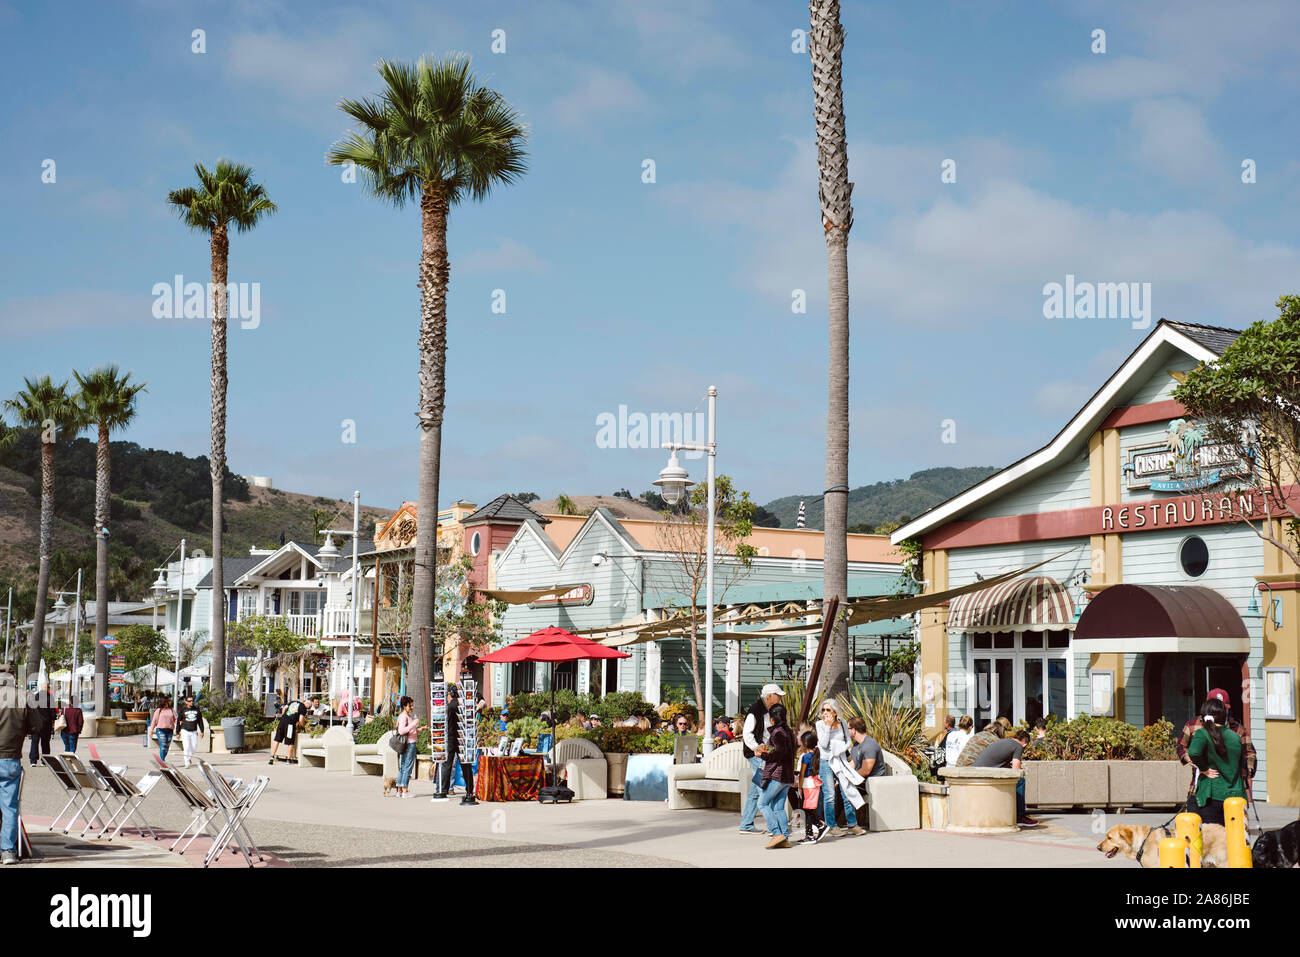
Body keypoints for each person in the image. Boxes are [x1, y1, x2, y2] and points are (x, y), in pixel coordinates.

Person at [1176, 687, 1255, 814]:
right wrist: (1189, 758)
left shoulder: (1237, 729)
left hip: (1231, 789)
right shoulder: (1193, 725)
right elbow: (1181, 746)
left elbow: (1249, 752)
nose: (1221, 711)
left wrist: (1247, 769)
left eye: (1224, 707)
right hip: (1199, 786)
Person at [0, 664, 40, 865]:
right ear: (12, 678)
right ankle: (8, 851)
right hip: (10, 757)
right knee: (9, 807)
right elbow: (37, 727)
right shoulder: (24, 697)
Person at [1187, 698, 1246, 826]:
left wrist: (1204, 769)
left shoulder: (1202, 733)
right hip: (1235, 795)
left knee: (1213, 841)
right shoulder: (1235, 736)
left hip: (1212, 794)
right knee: (1234, 840)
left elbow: (1193, 752)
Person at [739, 683, 783, 835]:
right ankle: (773, 827)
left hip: (763, 753)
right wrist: (757, 748)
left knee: (756, 790)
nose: (780, 699)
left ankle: (746, 824)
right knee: (765, 787)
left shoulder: (768, 710)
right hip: (757, 755)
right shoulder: (755, 711)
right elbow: (747, 734)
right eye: (778, 696)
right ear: (769, 696)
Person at [816, 699, 864, 836]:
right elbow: (823, 745)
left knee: (847, 791)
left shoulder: (843, 723)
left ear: (835, 711)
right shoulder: (820, 724)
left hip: (841, 760)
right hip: (826, 762)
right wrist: (827, 726)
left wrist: (841, 748)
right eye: (823, 710)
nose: (825, 712)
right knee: (829, 795)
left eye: (828, 710)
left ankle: (852, 824)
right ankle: (831, 825)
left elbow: (848, 740)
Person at [972, 727, 1037, 826]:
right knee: (1020, 781)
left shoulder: (1004, 742)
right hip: (985, 774)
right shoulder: (1018, 746)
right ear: (1025, 743)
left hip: (976, 771)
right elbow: (1016, 769)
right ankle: (1020, 816)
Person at [757, 702, 796, 849]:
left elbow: (779, 753)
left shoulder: (778, 732)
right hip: (787, 775)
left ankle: (776, 833)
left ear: (772, 719)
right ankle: (784, 838)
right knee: (778, 807)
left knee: (762, 803)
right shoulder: (788, 731)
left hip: (778, 775)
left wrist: (764, 755)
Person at [795, 730, 828, 845]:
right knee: (809, 810)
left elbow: (802, 773)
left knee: (807, 810)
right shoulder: (816, 754)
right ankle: (809, 833)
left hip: (807, 785)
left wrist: (799, 786)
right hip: (814, 784)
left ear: (805, 744)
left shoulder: (805, 757)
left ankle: (819, 826)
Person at [394, 696, 424, 798]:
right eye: (409, 706)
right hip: (409, 744)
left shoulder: (407, 716)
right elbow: (402, 731)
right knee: (408, 766)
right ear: (404, 706)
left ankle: (399, 790)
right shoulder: (403, 717)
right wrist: (414, 723)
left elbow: (410, 731)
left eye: (412, 705)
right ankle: (405, 791)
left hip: (408, 742)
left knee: (403, 766)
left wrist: (420, 729)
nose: (411, 707)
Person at [269, 696, 308, 765]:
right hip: (290, 724)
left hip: (282, 721)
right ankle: (288, 759)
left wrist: (284, 716)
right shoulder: (303, 708)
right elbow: (301, 719)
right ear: (307, 706)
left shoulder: (293, 702)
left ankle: (272, 757)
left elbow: (284, 708)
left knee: (277, 739)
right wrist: (303, 727)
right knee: (290, 741)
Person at [28, 684, 55, 768]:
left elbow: (31, 710)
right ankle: (45, 761)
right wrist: (53, 718)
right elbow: (53, 712)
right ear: (48, 688)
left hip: (36, 724)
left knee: (34, 742)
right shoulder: (50, 698)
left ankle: (33, 761)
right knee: (45, 742)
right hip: (46, 724)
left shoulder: (35, 697)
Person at [177, 695, 205, 768]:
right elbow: (178, 721)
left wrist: (202, 731)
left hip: (194, 731)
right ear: (186, 702)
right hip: (185, 730)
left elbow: (200, 721)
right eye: (189, 701)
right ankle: (187, 762)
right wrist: (177, 732)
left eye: (192, 701)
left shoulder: (197, 710)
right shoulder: (183, 710)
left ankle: (189, 758)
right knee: (186, 747)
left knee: (194, 747)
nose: (191, 702)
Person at [148, 696, 177, 762]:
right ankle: (162, 761)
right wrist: (151, 731)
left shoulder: (172, 710)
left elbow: (176, 719)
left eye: (169, 701)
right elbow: (154, 721)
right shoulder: (159, 710)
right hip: (161, 730)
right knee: (163, 745)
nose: (169, 703)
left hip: (170, 730)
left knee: (167, 747)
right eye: (167, 702)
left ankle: (162, 759)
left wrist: (179, 726)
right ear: (164, 702)